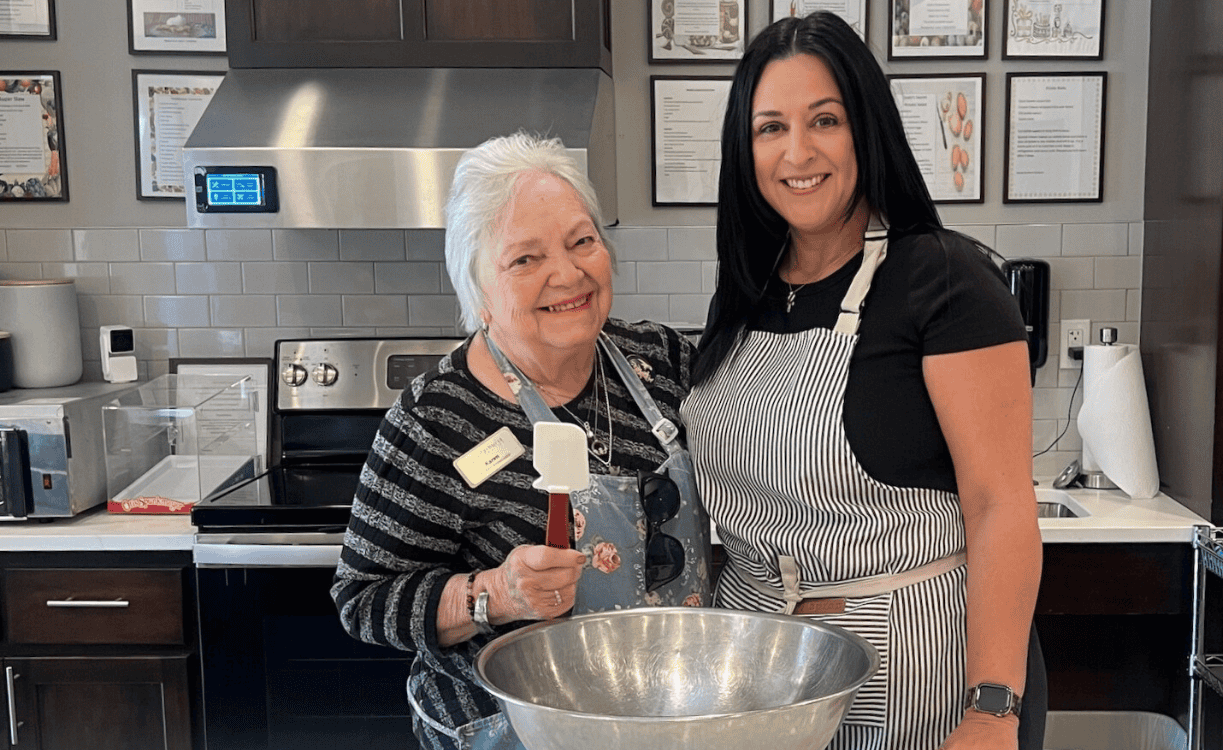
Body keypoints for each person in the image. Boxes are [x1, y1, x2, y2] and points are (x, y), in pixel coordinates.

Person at [681, 11, 1046, 750]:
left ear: (866, 129)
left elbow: (1001, 504)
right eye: (770, 128)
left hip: (909, 667)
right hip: (756, 670)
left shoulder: (941, 278)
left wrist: (992, 711)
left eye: (825, 120)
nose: (798, 152)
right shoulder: (747, 293)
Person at [331, 131, 711, 750]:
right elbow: (363, 601)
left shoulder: (660, 361)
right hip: (514, 731)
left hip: (663, 717)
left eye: (582, 241)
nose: (567, 273)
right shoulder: (435, 419)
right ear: (478, 292)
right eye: (524, 259)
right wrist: (493, 595)